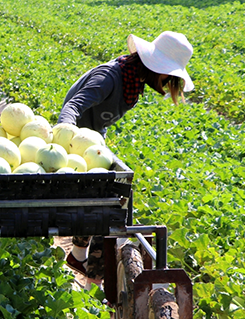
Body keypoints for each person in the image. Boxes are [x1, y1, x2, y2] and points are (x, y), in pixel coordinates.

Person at [58, 31, 194, 281]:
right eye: (168, 75)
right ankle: (88, 266)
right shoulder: (109, 77)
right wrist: (64, 140)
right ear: (156, 66)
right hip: (72, 141)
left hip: (92, 140)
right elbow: (73, 106)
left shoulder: (133, 82)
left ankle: (86, 263)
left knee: (112, 198)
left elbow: (100, 118)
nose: (167, 82)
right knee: (105, 198)